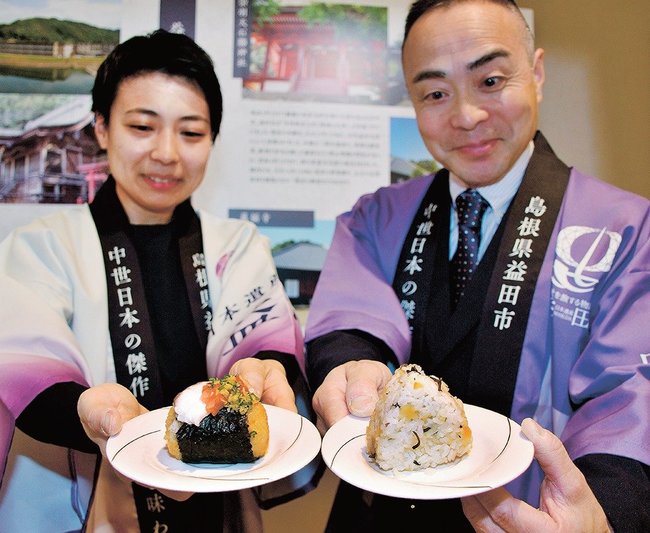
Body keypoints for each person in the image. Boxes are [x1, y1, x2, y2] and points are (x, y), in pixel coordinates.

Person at [305, 1, 650, 532]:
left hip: (530, 515)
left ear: (536, 73)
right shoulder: (376, 217)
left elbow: (633, 392)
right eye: (435, 93)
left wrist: (603, 511)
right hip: (378, 511)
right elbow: (350, 323)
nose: (466, 116)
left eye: (490, 80)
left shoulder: (624, 228)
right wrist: (351, 370)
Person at [0, 30, 314, 532]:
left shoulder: (235, 244)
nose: (167, 153)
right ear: (102, 128)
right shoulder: (43, 246)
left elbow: (262, 340)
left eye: (191, 133)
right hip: (92, 511)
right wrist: (86, 409)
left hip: (221, 505)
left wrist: (261, 370)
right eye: (142, 126)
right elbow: (25, 370)